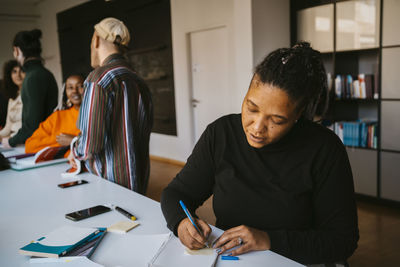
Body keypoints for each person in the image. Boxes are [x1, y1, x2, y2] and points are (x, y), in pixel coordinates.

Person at [161, 42, 359, 266]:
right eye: (251, 108)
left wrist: (268, 240)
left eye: (277, 120)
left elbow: (342, 240)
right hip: (230, 260)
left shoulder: (325, 149)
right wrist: (180, 222)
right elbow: (177, 192)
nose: (256, 128)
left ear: (298, 114)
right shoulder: (221, 134)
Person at [68, 18, 153, 194]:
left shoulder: (98, 79)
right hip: (139, 180)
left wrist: (75, 152)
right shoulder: (140, 81)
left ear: (96, 40)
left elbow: (90, 144)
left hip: (108, 182)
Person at [2, 29, 58, 148]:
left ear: (17, 50)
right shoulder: (45, 73)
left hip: (39, 144)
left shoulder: (32, 77)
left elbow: (32, 125)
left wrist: (10, 142)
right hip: (45, 141)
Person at [25, 75, 84, 156]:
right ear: (65, 92)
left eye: (80, 86)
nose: (75, 91)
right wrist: (60, 141)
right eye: (70, 87)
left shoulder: (95, 116)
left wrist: (74, 140)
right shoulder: (57, 117)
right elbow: (30, 146)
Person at [0, 60, 25, 139]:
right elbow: (8, 127)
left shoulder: (29, 94)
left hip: (21, 139)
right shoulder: (12, 98)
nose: (18, 75)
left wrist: (9, 138)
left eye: (21, 71)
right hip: (11, 139)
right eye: (14, 72)